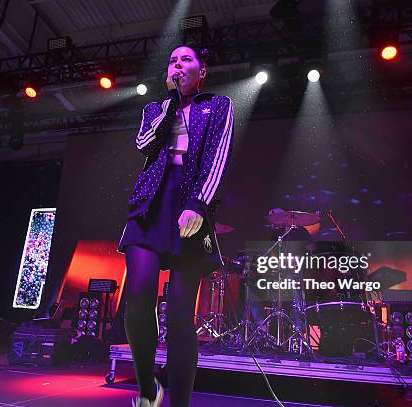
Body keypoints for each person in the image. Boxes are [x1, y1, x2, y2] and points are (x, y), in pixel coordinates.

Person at [118, 45, 234, 407]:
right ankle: (148, 389)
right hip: (149, 205)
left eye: (186, 60)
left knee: (180, 314)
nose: (178, 65)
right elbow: (143, 145)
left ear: (203, 71)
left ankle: (180, 402)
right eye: (172, 60)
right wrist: (170, 102)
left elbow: (218, 156)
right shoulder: (155, 109)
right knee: (138, 296)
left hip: (190, 205)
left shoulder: (218, 105)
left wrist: (199, 205)